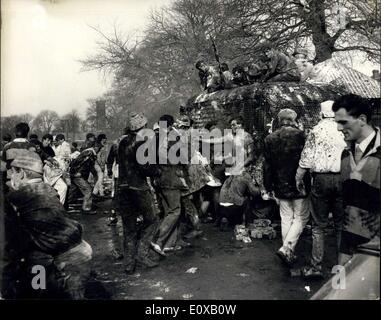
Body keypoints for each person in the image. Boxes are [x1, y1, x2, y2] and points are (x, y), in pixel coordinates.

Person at [2, 150, 92, 299]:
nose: (10, 177)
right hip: (81, 251)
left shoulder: (17, 197)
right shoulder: (49, 189)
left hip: (62, 259)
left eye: (12, 173)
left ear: (22, 173)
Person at [295, 101, 347, 278]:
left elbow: (306, 158)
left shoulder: (316, 131)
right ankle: (343, 265)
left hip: (321, 179)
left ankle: (316, 266)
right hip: (342, 178)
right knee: (341, 224)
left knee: (318, 225)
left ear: (322, 114)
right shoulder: (344, 130)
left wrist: (298, 177)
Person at [332, 94, 380, 265]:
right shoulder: (345, 154)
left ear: (362, 119)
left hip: (375, 252)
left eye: (343, 122)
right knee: (339, 287)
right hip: (348, 247)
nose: (338, 128)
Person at [263, 108, 310, 266]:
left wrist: (268, 185)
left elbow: (267, 166)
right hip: (300, 183)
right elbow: (307, 161)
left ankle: (288, 251)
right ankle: (286, 249)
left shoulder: (270, 138)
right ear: (294, 119)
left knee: (286, 218)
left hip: (280, 184)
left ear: (279, 120)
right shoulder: (302, 136)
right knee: (301, 217)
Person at [115, 112, 160, 274]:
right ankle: (142, 253)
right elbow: (146, 168)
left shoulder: (122, 142)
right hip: (138, 188)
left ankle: (129, 264)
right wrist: (156, 170)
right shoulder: (143, 142)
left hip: (122, 188)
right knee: (152, 220)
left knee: (129, 227)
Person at [151, 114, 189, 256]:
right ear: (170, 124)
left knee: (168, 211)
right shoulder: (173, 137)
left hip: (158, 178)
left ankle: (168, 244)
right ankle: (158, 240)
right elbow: (183, 158)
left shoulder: (154, 138)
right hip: (171, 177)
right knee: (175, 211)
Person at [1, 123, 37, 189]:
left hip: (11, 181)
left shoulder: (7, 146)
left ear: (15, 133)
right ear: (27, 134)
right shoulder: (32, 146)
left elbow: (3, 168)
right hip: (28, 181)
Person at [68, 146, 99, 213]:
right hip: (78, 175)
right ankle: (86, 208)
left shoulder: (86, 153)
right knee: (88, 189)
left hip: (75, 174)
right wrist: (79, 172)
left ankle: (64, 205)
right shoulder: (89, 154)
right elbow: (85, 164)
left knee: (72, 191)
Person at [92, 134, 107, 198]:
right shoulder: (100, 146)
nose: (106, 139)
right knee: (100, 178)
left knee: (99, 179)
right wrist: (102, 165)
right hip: (98, 164)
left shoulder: (98, 145)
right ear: (102, 139)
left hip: (96, 164)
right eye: (105, 138)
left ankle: (101, 193)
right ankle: (94, 192)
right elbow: (98, 157)